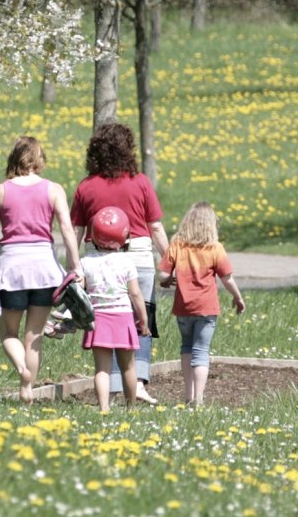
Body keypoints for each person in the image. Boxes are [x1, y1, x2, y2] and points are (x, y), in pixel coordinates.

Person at [0, 137, 83, 404]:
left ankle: (21, 370)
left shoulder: (0, 191)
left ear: (13, 158)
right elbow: (67, 229)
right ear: (38, 159)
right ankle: (27, 389)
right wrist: (75, 266)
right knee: (34, 335)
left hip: (12, 269)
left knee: (9, 333)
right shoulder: (54, 189)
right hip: (44, 269)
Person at [71, 122, 169, 403]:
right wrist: (171, 261)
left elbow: (76, 231)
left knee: (105, 317)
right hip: (138, 256)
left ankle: (111, 385)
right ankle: (136, 382)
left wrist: (74, 267)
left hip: (97, 260)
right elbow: (156, 227)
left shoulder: (86, 187)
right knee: (141, 319)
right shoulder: (140, 182)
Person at [158, 202, 247, 407]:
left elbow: (163, 274)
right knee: (201, 351)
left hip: (183, 308)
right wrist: (238, 297)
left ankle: (187, 395)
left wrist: (166, 280)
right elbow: (227, 278)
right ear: (211, 225)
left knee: (186, 347)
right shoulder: (215, 248)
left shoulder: (177, 245)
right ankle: (198, 399)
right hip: (206, 308)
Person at [79, 206, 150, 413]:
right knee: (128, 366)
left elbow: (80, 290)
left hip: (97, 318)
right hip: (123, 318)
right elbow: (136, 294)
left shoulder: (86, 262)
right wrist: (143, 321)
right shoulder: (127, 262)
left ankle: (103, 408)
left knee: (102, 368)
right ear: (125, 235)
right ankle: (131, 407)